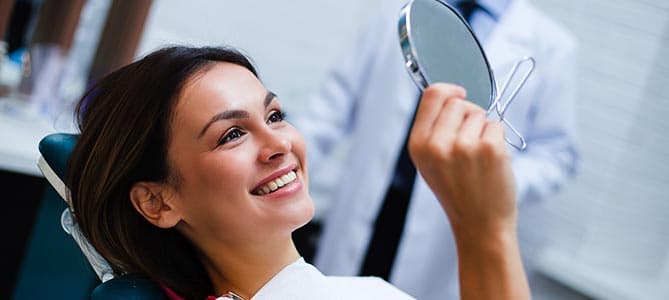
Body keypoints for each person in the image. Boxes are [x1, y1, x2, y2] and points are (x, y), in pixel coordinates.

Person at [66, 46, 529, 299]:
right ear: (158, 201)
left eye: (274, 116)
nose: (279, 144)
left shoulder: (363, 293)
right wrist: (484, 229)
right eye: (231, 135)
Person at [292, 0, 579, 298]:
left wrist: (492, 182)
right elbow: (330, 108)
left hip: (446, 224)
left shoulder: (552, 46)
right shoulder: (394, 10)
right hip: (367, 203)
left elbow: (557, 154)